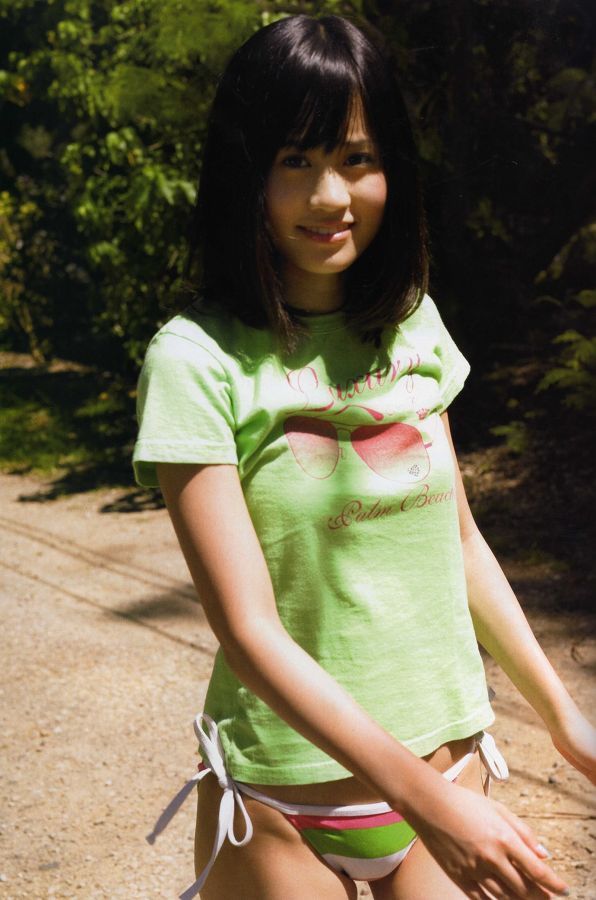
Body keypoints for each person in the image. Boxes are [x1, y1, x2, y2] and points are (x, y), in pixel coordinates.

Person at [134, 14, 596, 900]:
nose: (329, 197)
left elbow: (459, 541)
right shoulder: (194, 360)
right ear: (246, 171)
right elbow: (248, 631)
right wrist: (428, 803)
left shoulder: (412, 321)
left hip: (448, 769)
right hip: (279, 800)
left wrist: (563, 717)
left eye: (356, 159)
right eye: (294, 160)